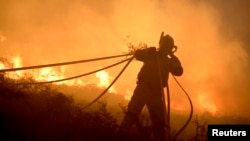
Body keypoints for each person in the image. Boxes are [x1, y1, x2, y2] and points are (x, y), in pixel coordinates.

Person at [120, 32, 183, 141]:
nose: (165, 47)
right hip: (143, 89)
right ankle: (119, 136)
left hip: (156, 93)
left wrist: (173, 56)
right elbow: (138, 54)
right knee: (132, 113)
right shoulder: (152, 54)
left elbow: (179, 71)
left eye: (169, 45)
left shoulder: (168, 62)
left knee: (159, 122)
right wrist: (148, 51)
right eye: (165, 44)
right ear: (161, 44)